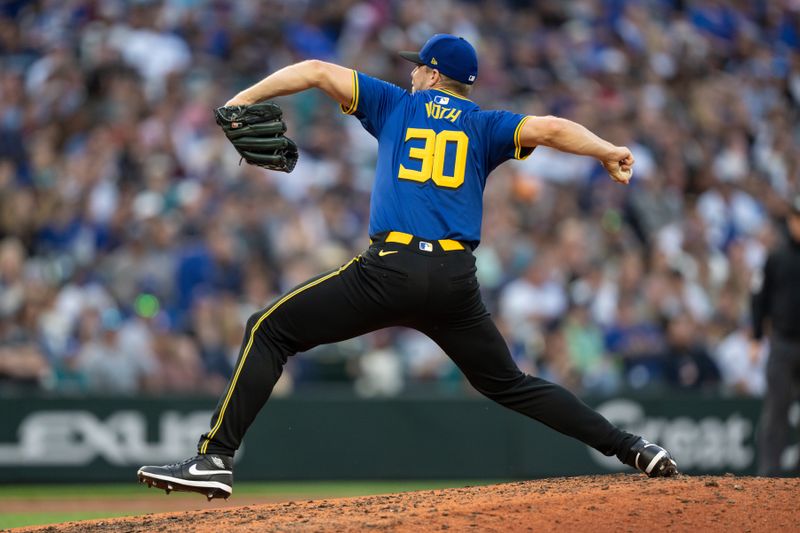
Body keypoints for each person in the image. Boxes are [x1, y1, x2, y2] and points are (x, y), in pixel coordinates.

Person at [137, 34, 678, 500]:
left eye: (417, 64)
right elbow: (550, 127)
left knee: (270, 329)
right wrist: (608, 150)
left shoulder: (395, 104)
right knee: (510, 383)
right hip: (453, 284)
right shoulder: (487, 124)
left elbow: (316, 71)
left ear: (432, 73)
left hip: (389, 272)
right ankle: (632, 447)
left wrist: (242, 98)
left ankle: (215, 457)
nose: (411, 71)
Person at [751, 195, 800, 476]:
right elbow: (758, 298)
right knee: (776, 412)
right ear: (790, 221)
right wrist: (756, 337)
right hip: (783, 343)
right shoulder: (776, 258)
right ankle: (768, 474)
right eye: (797, 219)